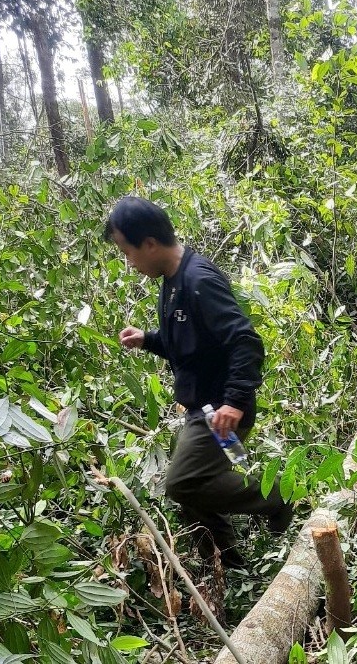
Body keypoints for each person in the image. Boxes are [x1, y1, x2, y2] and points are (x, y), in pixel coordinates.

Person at [104, 196, 292, 570]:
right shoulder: (171, 281)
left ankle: (279, 499)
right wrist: (150, 339)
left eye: (128, 253)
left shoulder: (198, 279)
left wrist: (235, 401)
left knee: (182, 483)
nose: (129, 263)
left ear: (150, 244)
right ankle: (229, 568)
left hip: (219, 412)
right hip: (202, 407)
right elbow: (193, 344)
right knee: (194, 496)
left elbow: (245, 341)